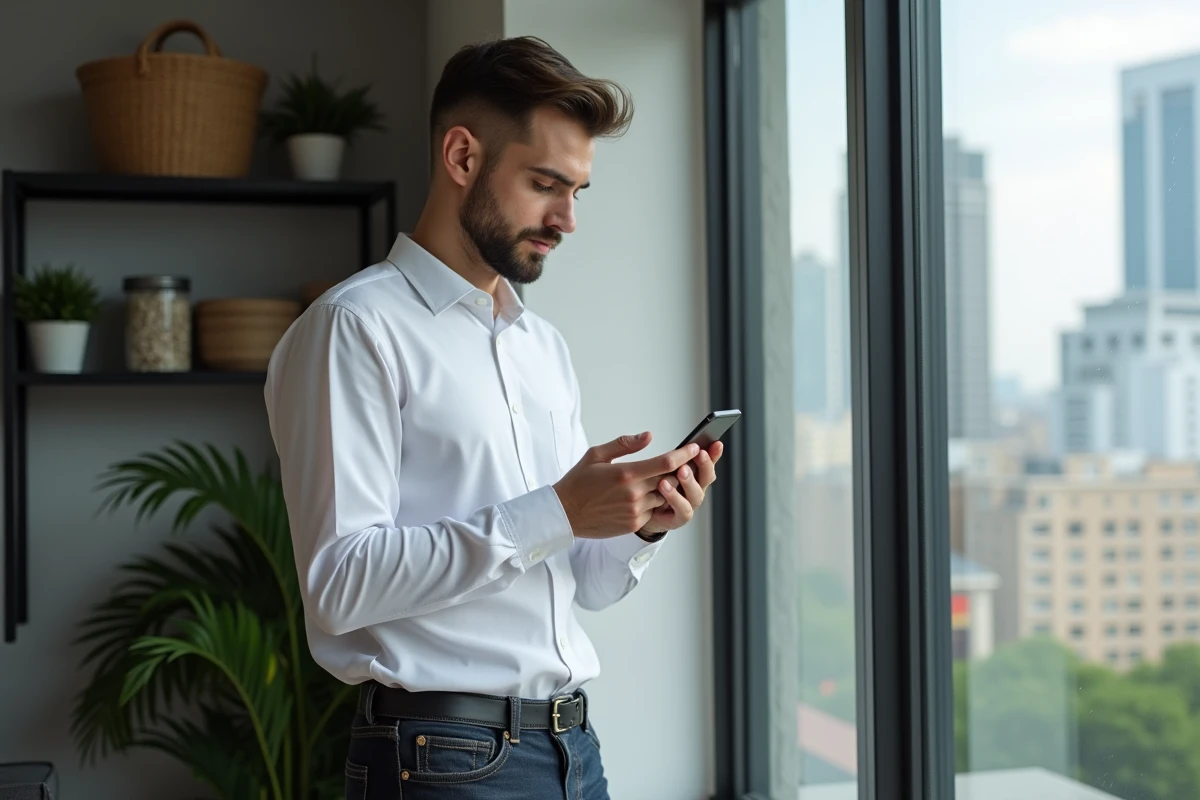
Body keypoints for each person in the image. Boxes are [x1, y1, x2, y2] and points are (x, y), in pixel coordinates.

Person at [263, 35, 723, 800]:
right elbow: (339, 584)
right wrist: (555, 509)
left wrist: (640, 523)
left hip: (573, 749)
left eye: (578, 191)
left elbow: (585, 584)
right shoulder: (356, 329)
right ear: (463, 157)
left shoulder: (540, 345)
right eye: (546, 183)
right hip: (441, 760)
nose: (567, 219)